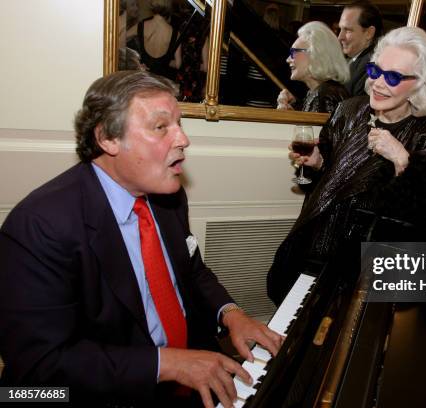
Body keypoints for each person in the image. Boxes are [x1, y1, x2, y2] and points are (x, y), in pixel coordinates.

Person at [0, 70, 282, 408]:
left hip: (185, 373)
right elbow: (42, 364)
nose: (183, 139)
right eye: (161, 127)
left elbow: (192, 272)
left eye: (180, 124)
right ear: (108, 139)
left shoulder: (168, 195)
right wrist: (167, 363)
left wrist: (232, 314)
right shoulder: (40, 225)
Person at [267, 27, 426, 305]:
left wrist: (401, 159)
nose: (378, 83)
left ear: (420, 83)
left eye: (392, 77)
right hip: (314, 245)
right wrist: (316, 164)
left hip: (363, 267)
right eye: (376, 71)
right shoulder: (348, 111)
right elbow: (313, 187)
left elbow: (416, 216)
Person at [277, 21, 350, 114]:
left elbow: (316, 128)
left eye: (294, 52)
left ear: (315, 54)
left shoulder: (324, 95)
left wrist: (284, 117)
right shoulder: (320, 92)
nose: (288, 59)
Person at [338, 0, 383, 96]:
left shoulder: (372, 69)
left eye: (348, 30)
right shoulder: (347, 60)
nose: (340, 37)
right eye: (340, 29)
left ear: (369, 33)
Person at [128, 0, 182, 79]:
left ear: (152, 5)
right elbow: (178, 64)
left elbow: (119, 40)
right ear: (168, 7)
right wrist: (163, 60)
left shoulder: (141, 26)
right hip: (162, 81)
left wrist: (135, 61)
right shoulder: (175, 33)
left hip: (144, 78)